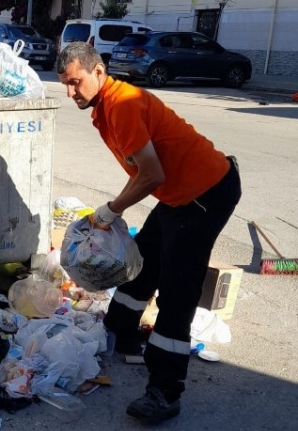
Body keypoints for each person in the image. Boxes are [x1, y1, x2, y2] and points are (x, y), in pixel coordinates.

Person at [56, 42, 241, 422]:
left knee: (178, 289)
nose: (71, 92)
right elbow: (150, 173)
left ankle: (165, 391)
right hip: (178, 196)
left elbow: (152, 174)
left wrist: (110, 210)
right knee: (142, 259)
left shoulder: (122, 105)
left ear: (99, 72)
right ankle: (119, 330)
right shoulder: (107, 106)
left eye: (76, 82)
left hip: (205, 193)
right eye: (65, 84)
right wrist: (113, 209)